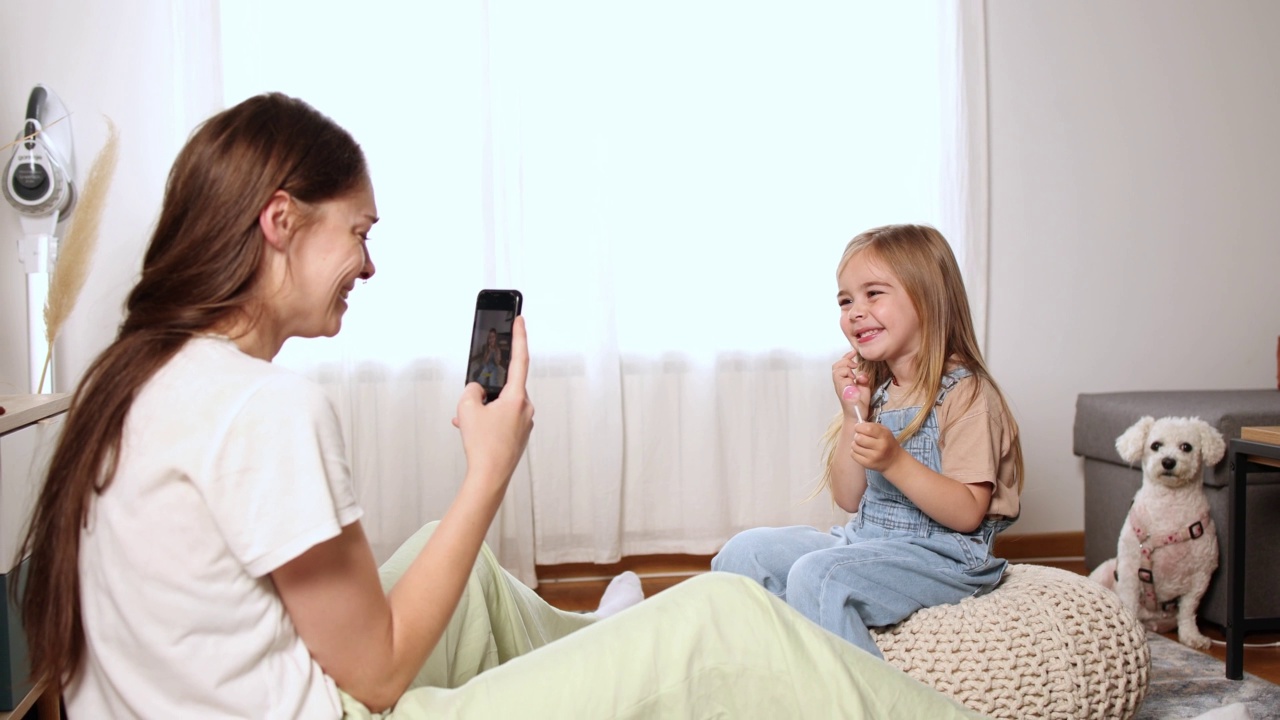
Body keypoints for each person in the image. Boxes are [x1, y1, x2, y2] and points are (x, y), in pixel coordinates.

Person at [14, 96, 985, 719]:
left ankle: (609, 642)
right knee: (724, 616)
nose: (367, 262)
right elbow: (377, 675)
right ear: (280, 222)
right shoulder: (258, 406)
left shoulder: (138, 373)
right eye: (356, 231)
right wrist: (490, 465)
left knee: (460, 564)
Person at [712, 223, 1024, 659]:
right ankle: (766, 674)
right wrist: (849, 412)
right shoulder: (879, 391)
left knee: (819, 577)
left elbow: (968, 513)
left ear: (928, 298)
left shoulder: (968, 394)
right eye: (845, 300)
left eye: (873, 294)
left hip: (945, 557)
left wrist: (896, 461)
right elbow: (848, 497)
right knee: (743, 554)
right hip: (867, 540)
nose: (854, 311)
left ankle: (856, 699)